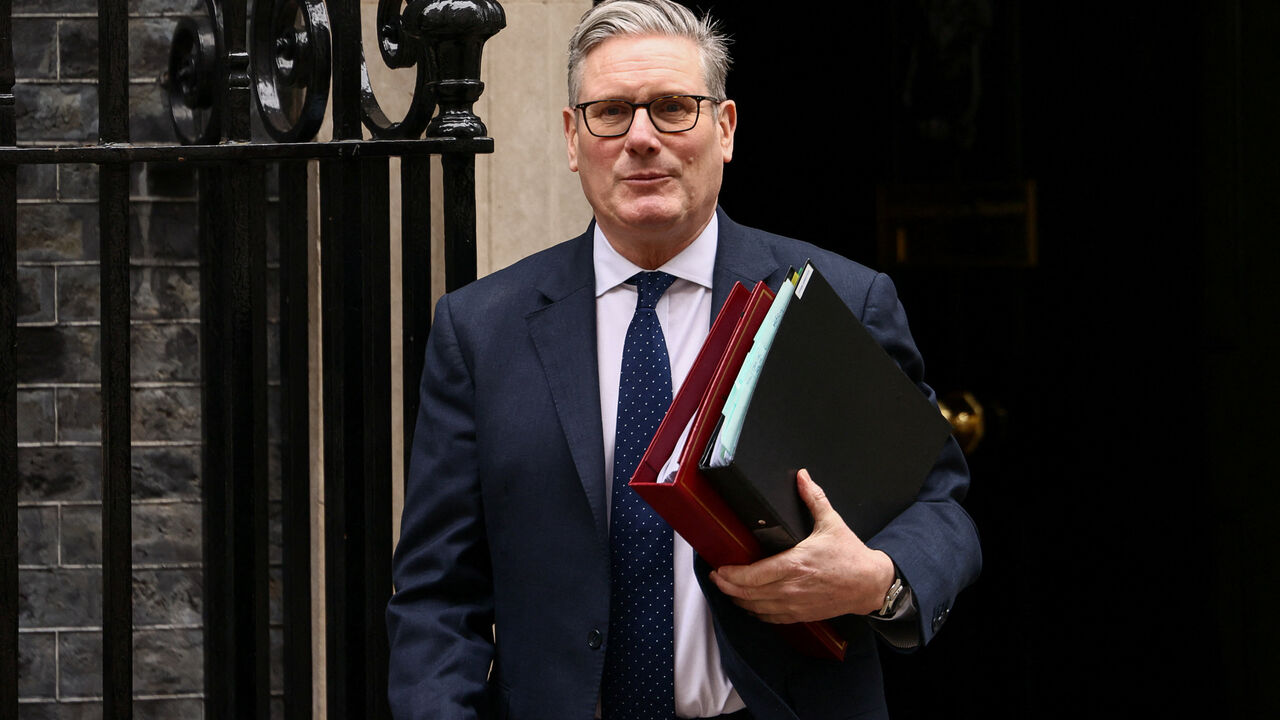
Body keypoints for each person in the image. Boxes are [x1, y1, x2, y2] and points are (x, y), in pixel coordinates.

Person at [386, 1, 981, 718]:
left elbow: (937, 503)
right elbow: (436, 598)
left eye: (672, 108)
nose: (642, 138)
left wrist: (878, 581)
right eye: (610, 112)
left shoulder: (838, 300)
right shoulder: (481, 332)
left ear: (725, 129)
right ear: (573, 138)